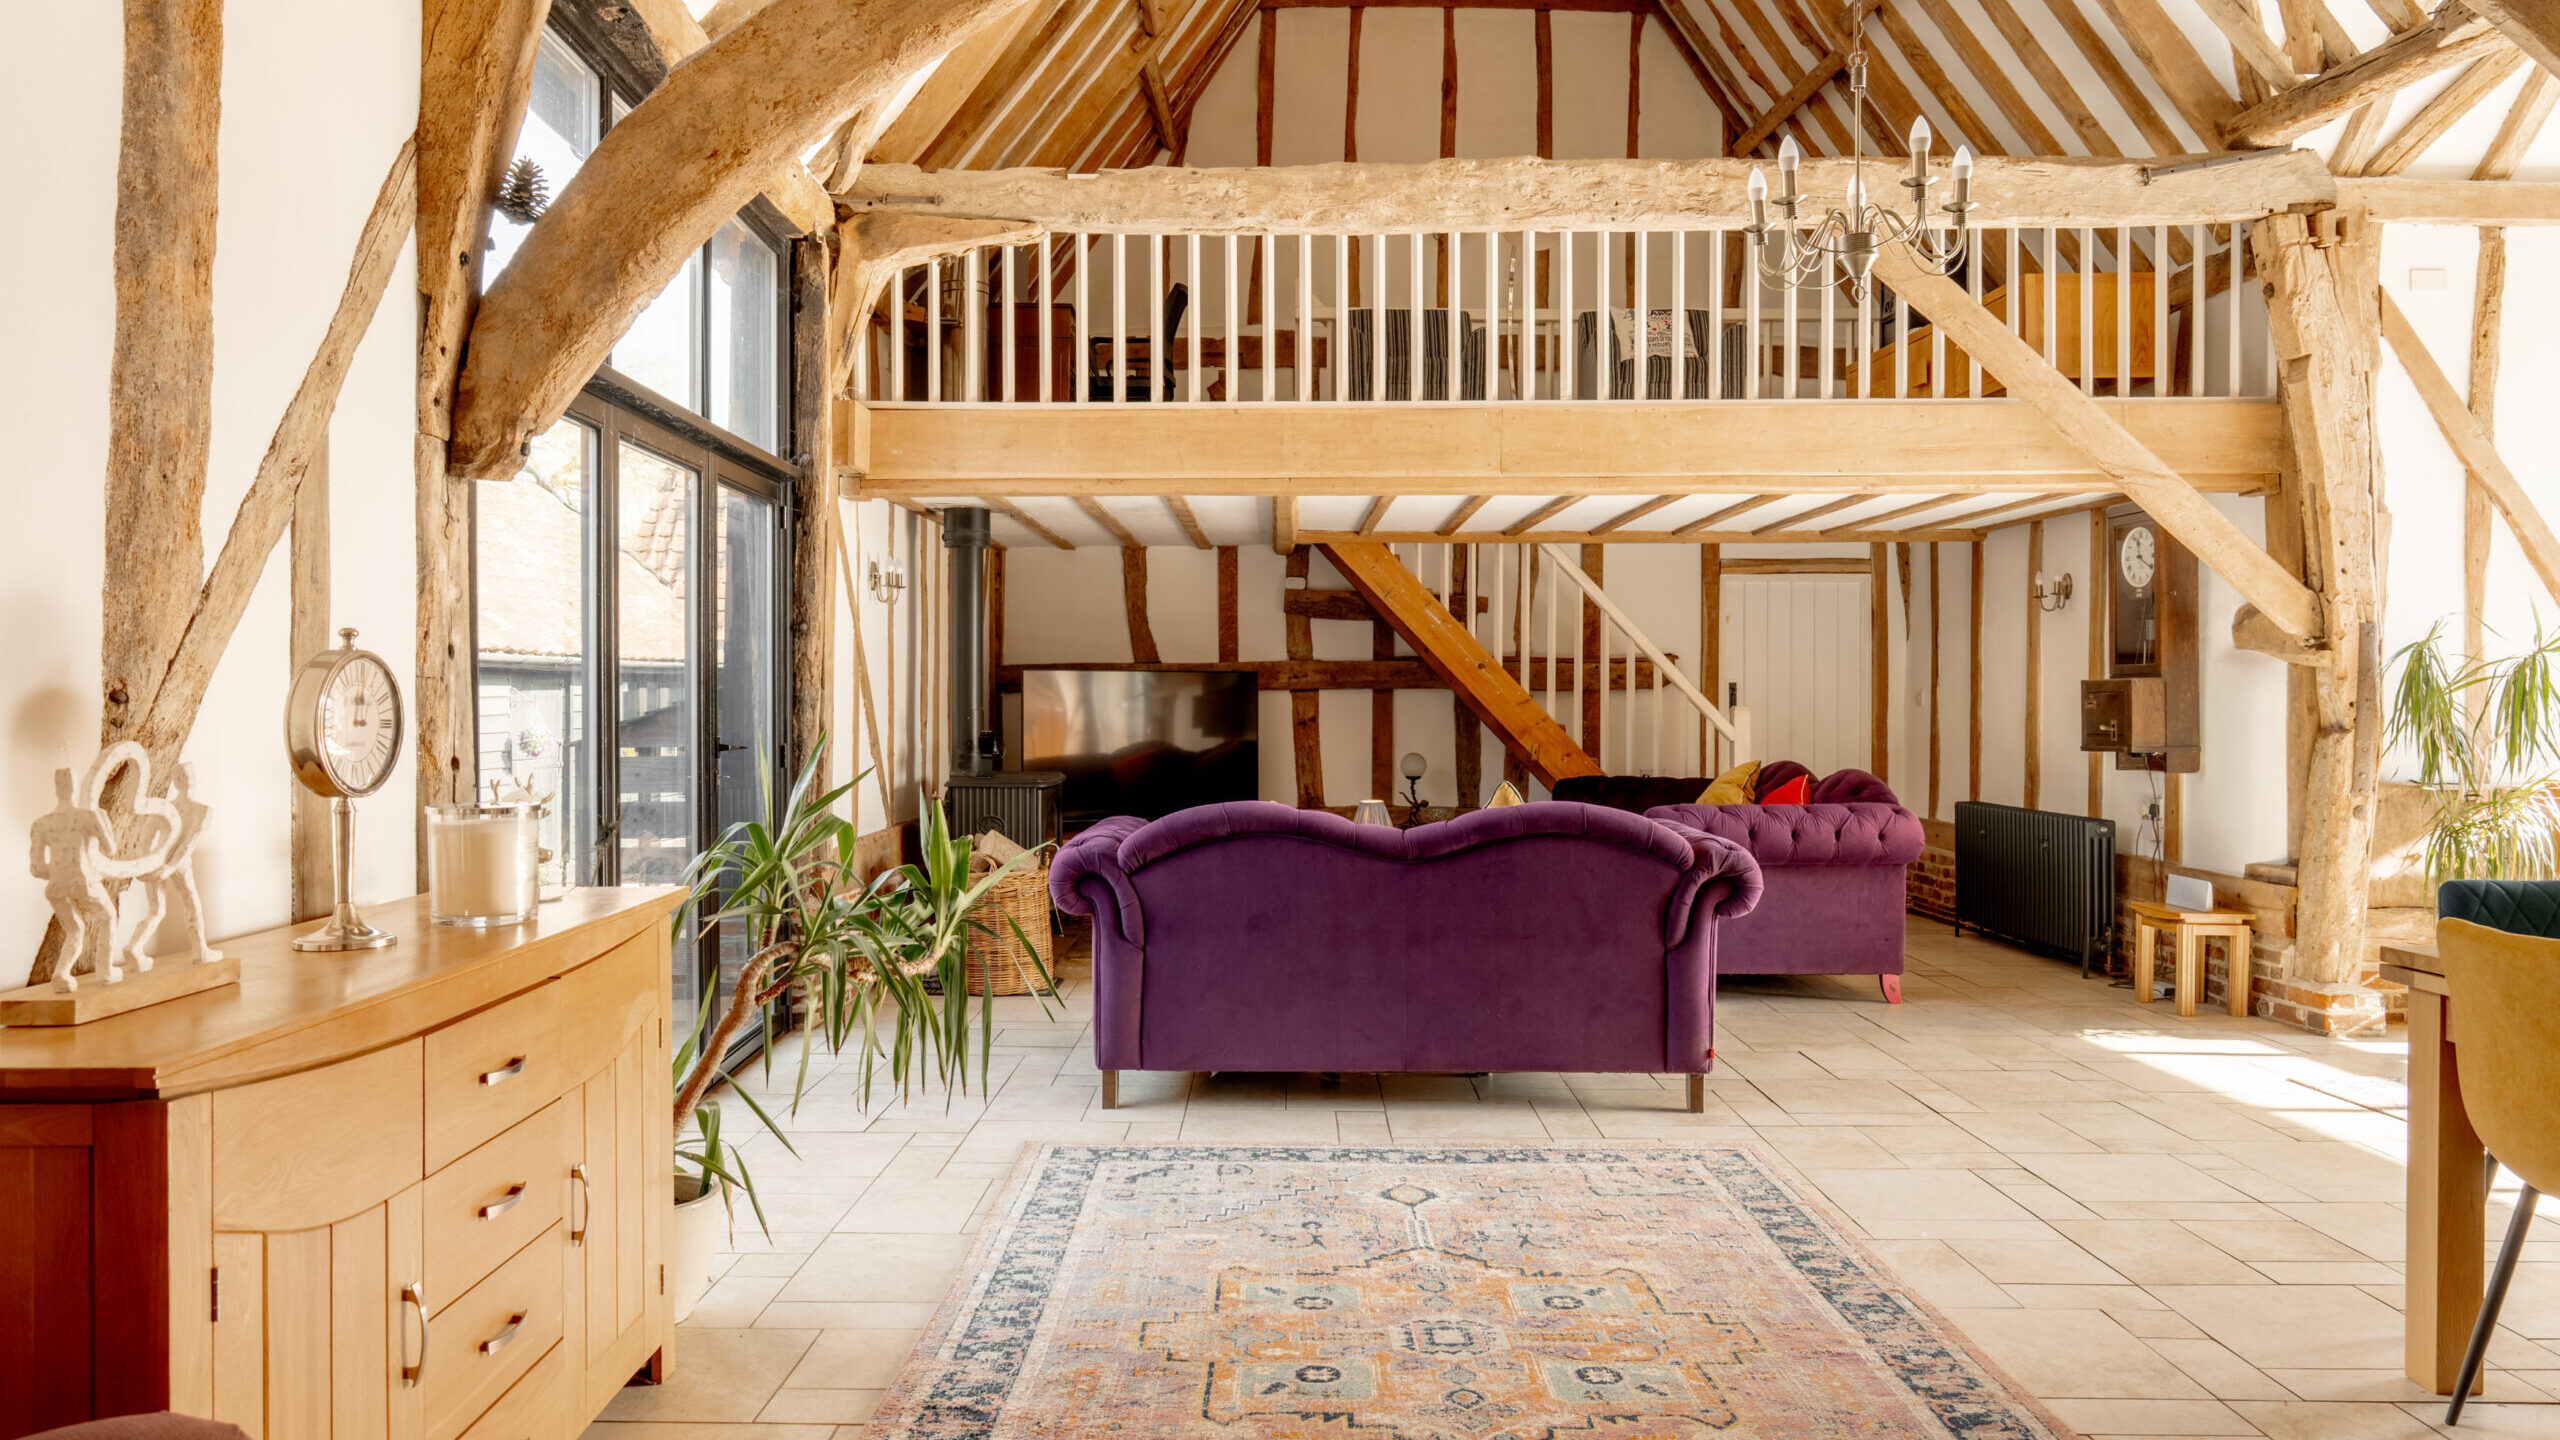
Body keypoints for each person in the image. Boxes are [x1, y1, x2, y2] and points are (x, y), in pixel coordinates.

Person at [29, 768, 120, 990]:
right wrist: (104, 824)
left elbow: (37, 868)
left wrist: (60, 869)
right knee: (108, 916)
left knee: (75, 929)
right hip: (83, 881)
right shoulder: (88, 817)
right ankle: (105, 970)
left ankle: (61, 973)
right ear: (76, 787)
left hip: (56, 886)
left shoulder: (41, 824)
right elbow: (110, 849)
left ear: (56, 788)